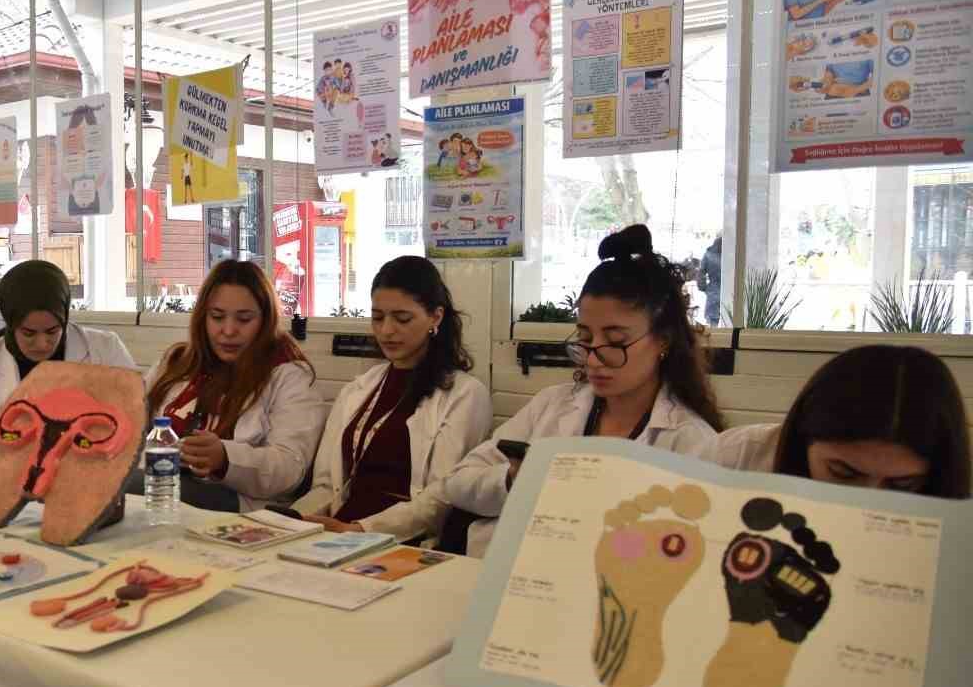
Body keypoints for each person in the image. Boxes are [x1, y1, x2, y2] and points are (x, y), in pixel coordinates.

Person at [444, 225, 724, 556]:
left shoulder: (691, 441)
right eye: (586, 339)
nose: (594, 358)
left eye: (616, 341)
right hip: (512, 576)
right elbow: (458, 483)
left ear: (663, 340)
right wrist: (512, 481)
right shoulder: (553, 405)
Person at [292, 257, 492, 540]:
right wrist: (295, 520)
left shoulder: (465, 394)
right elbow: (326, 485)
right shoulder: (358, 390)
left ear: (435, 317)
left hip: (401, 542)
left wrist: (361, 530)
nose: (386, 330)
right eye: (377, 317)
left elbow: (441, 498)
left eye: (402, 319)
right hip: (338, 534)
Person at [144, 259, 326, 511]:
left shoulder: (290, 376)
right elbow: (132, 427)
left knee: (136, 487)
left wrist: (225, 459)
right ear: (202, 318)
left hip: (235, 503)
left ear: (265, 320)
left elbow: (290, 468)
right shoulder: (176, 363)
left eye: (244, 319)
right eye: (217, 317)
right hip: (164, 487)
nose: (228, 331)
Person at [716, 345, 970, 498]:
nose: (867, 499)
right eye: (842, 473)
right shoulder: (738, 456)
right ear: (802, 440)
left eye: (903, 485)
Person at [0, 259, 135, 465]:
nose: (42, 344)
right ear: (11, 323)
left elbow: (131, 419)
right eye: (29, 333)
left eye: (52, 331)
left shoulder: (105, 349)